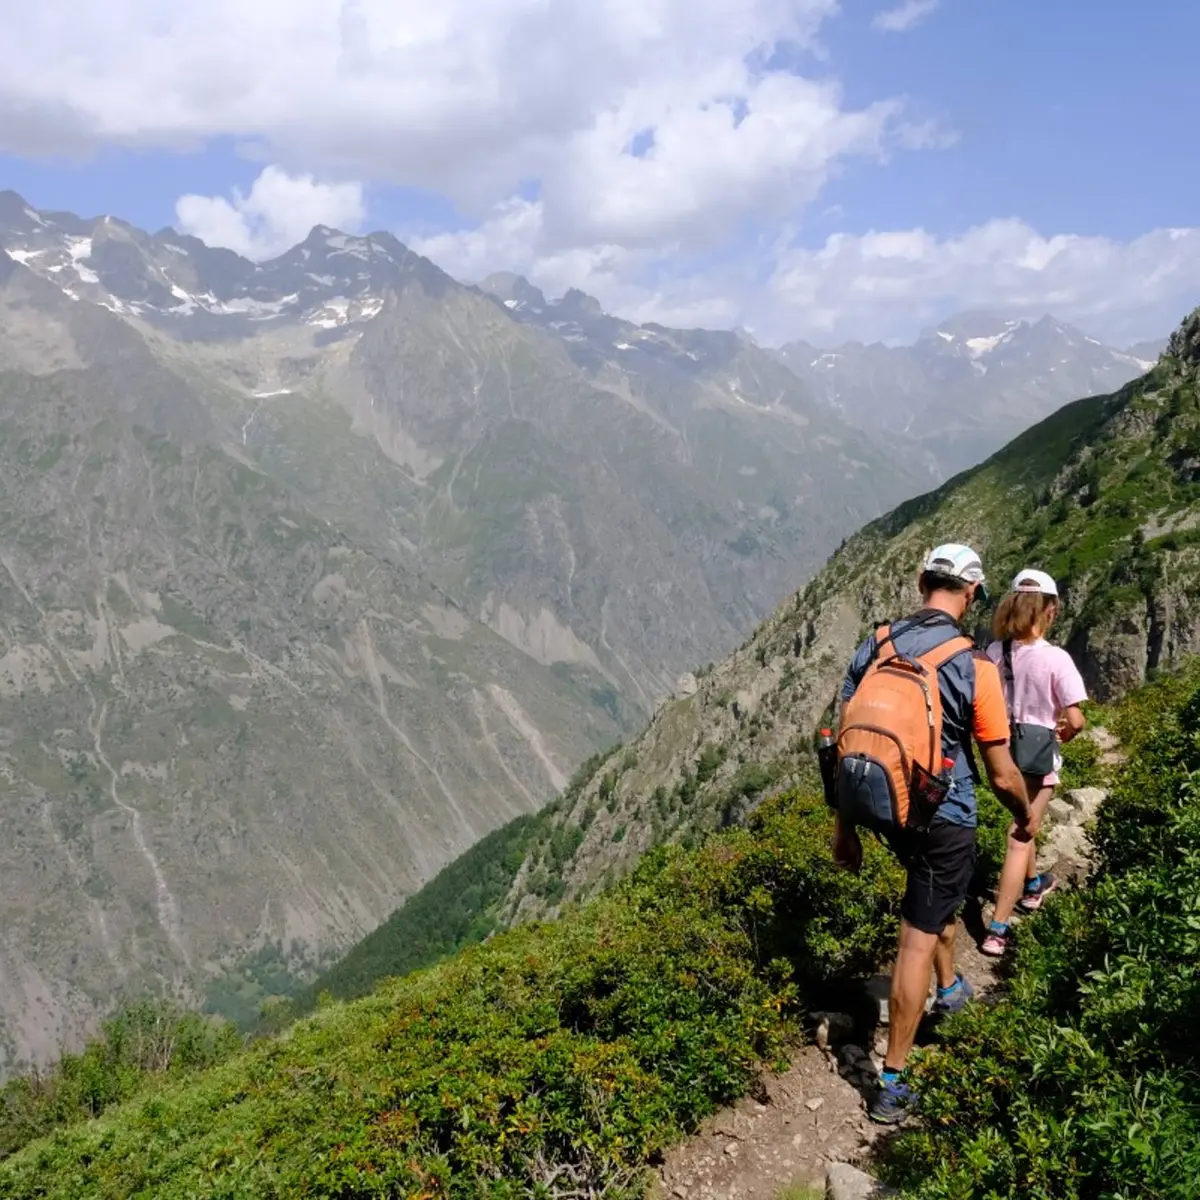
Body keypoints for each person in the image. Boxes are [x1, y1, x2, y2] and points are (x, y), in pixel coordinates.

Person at [833, 543, 1035, 1125]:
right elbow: (1002, 773)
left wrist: (845, 828)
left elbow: (847, 736)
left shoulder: (877, 643)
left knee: (933, 903)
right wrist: (1025, 815)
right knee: (916, 938)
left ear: (922, 581)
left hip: (886, 805)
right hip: (945, 817)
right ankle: (891, 1082)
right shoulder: (975, 666)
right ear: (971, 594)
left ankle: (948, 992)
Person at [980, 569, 1087, 957]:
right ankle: (998, 929)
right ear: (1050, 611)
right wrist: (1065, 732)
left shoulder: (995, 653)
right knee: (1020, 834)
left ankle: (1032, 886)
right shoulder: (1056, 659)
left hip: (1001, 755)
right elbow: (1076, 719)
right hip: (1037, 759)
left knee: (1025, 818)